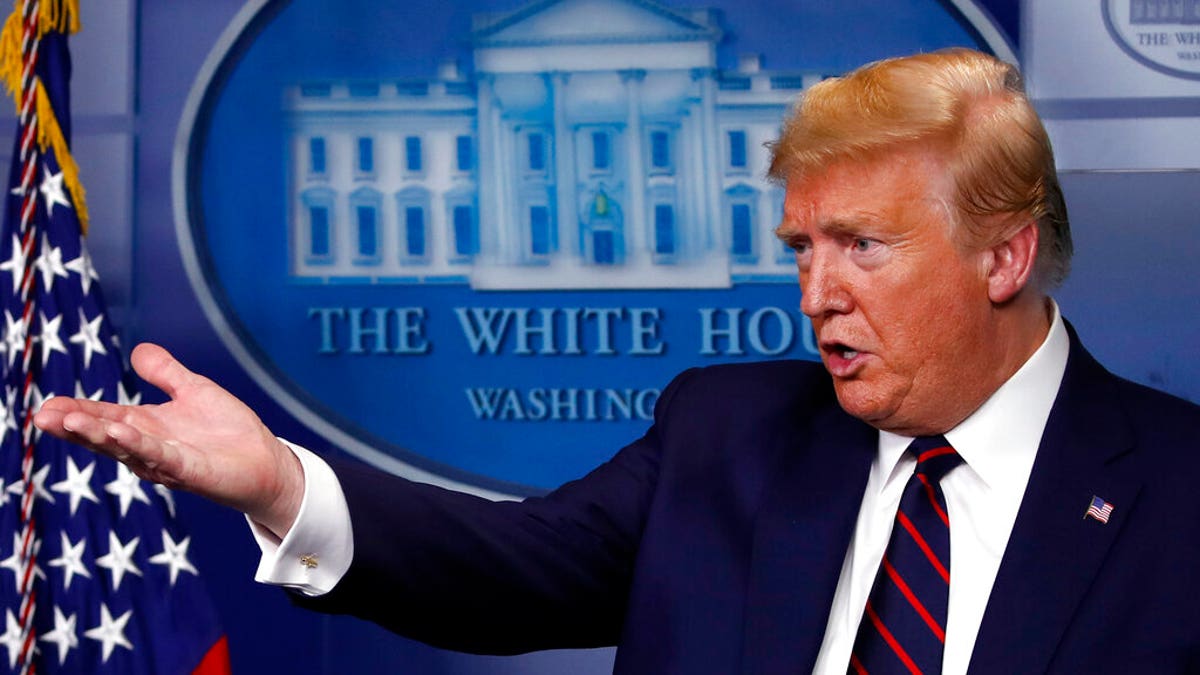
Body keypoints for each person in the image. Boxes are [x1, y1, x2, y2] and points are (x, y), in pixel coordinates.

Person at [34, 48, 1200, 674]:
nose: (816, 293)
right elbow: (509, 569)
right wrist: (282, 487)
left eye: (862, 248)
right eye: (802, 247)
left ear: (1005, 256)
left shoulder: (1180, 493)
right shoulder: (727, 431)